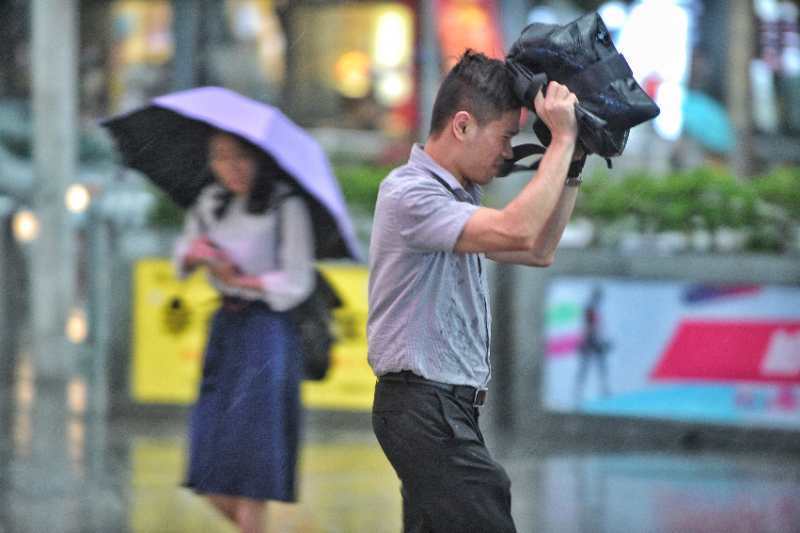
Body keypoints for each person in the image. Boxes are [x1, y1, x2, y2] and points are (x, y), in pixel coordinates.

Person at [367, 50, 583, 532]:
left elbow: (538, 248)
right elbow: (518, 231)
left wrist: (573, 163)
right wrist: (562, 140)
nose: (508, 152)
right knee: (488, 502)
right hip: (422, 407)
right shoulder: (411, 194)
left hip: (443, 409)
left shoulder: (456, 197)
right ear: (462, 125)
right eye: (505, 136)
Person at [173, 130, 315, 533]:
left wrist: (241, 277)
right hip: (226, 327)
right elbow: (181, 259)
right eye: (218, 158)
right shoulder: (210, 203)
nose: (229, 168)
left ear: (259, 159)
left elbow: (297, 280)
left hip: (267, 331)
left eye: (239, 158)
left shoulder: (285, 204)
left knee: (253, 458)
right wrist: (196, 256)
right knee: (209, 460)